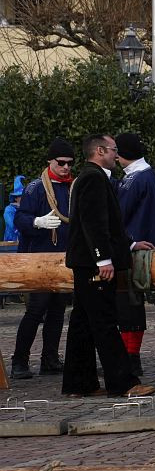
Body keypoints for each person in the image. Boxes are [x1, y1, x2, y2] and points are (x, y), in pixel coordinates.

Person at [62, 134, 155, 398]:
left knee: (82, 323)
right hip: (93, 263)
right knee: (104, 323)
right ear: (100, 151)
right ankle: (123, 383)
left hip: (84, 261)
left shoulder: (92, 177)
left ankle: (78, 383)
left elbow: (109, 223)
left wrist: (130, 244)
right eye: (114, 150)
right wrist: (103, 259)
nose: (117, 154)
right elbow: (94, 222)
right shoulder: (94, 178)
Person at [10, 139, 74, 379]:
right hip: (38, 258)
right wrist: (37, 222)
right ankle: (19, 360)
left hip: (62, 257)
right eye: (61, 163)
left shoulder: (71, 187)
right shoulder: (36, 188)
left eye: (70, 163)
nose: (66, 168)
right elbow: (20, 219)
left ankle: (49, 359)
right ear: (51, 161)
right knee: (36, 311)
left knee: (58, 311)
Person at [114, 133, 155, 377]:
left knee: (128, 305)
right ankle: (130, 356)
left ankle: (129, 358)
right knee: (132, 305)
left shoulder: (133, 179)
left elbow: (119, 215)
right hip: (148, 245)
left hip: (135, 248)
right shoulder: (148, 174)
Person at [3, 175, 25, 244]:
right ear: (15, 198)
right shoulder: (9, 210)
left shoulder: (26, 207)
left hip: (23, 241)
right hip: (10, 241)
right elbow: (12, 225)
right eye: (20, 196)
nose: (23, 198)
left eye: (24, 196)